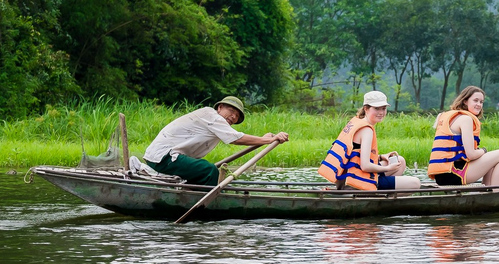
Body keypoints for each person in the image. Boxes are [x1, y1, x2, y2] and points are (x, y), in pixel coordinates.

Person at [143, 96, 289, 185]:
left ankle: (200, 197)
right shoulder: (211, 115)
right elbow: (235, 139)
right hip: (163, 157)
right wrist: (269, 140)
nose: (233, 117)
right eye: (232, 111)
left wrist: (263, 139)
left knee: (205, 173)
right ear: (220, 108)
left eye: (237, 116)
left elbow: (234, 135)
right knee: (209, 170)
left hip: (161, 158)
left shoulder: (217, 124)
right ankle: (211, 204)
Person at [318, 91, 421, 191]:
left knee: (400, 161)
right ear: (366, 109)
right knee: (416, 183)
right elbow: (365, 166)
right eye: (376, 108)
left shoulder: (357, 121)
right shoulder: (367, 130)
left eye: (383, 108)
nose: (381, 113)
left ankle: (379, 193)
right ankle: (374, 196)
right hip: (353, 182)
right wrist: (388, 168)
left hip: (345, 178)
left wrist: (380, 157)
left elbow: (355, 155)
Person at [428, 86, 499, 187]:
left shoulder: (449, 116)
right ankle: (496, 194)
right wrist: (484, 151)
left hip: (442, 176)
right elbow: (471, 154)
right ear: (465, 101)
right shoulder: (466, 119)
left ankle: (488, 192)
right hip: (454, 173)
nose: (479, 104)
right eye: (475, 100)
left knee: (492, 161)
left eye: (481, 102)